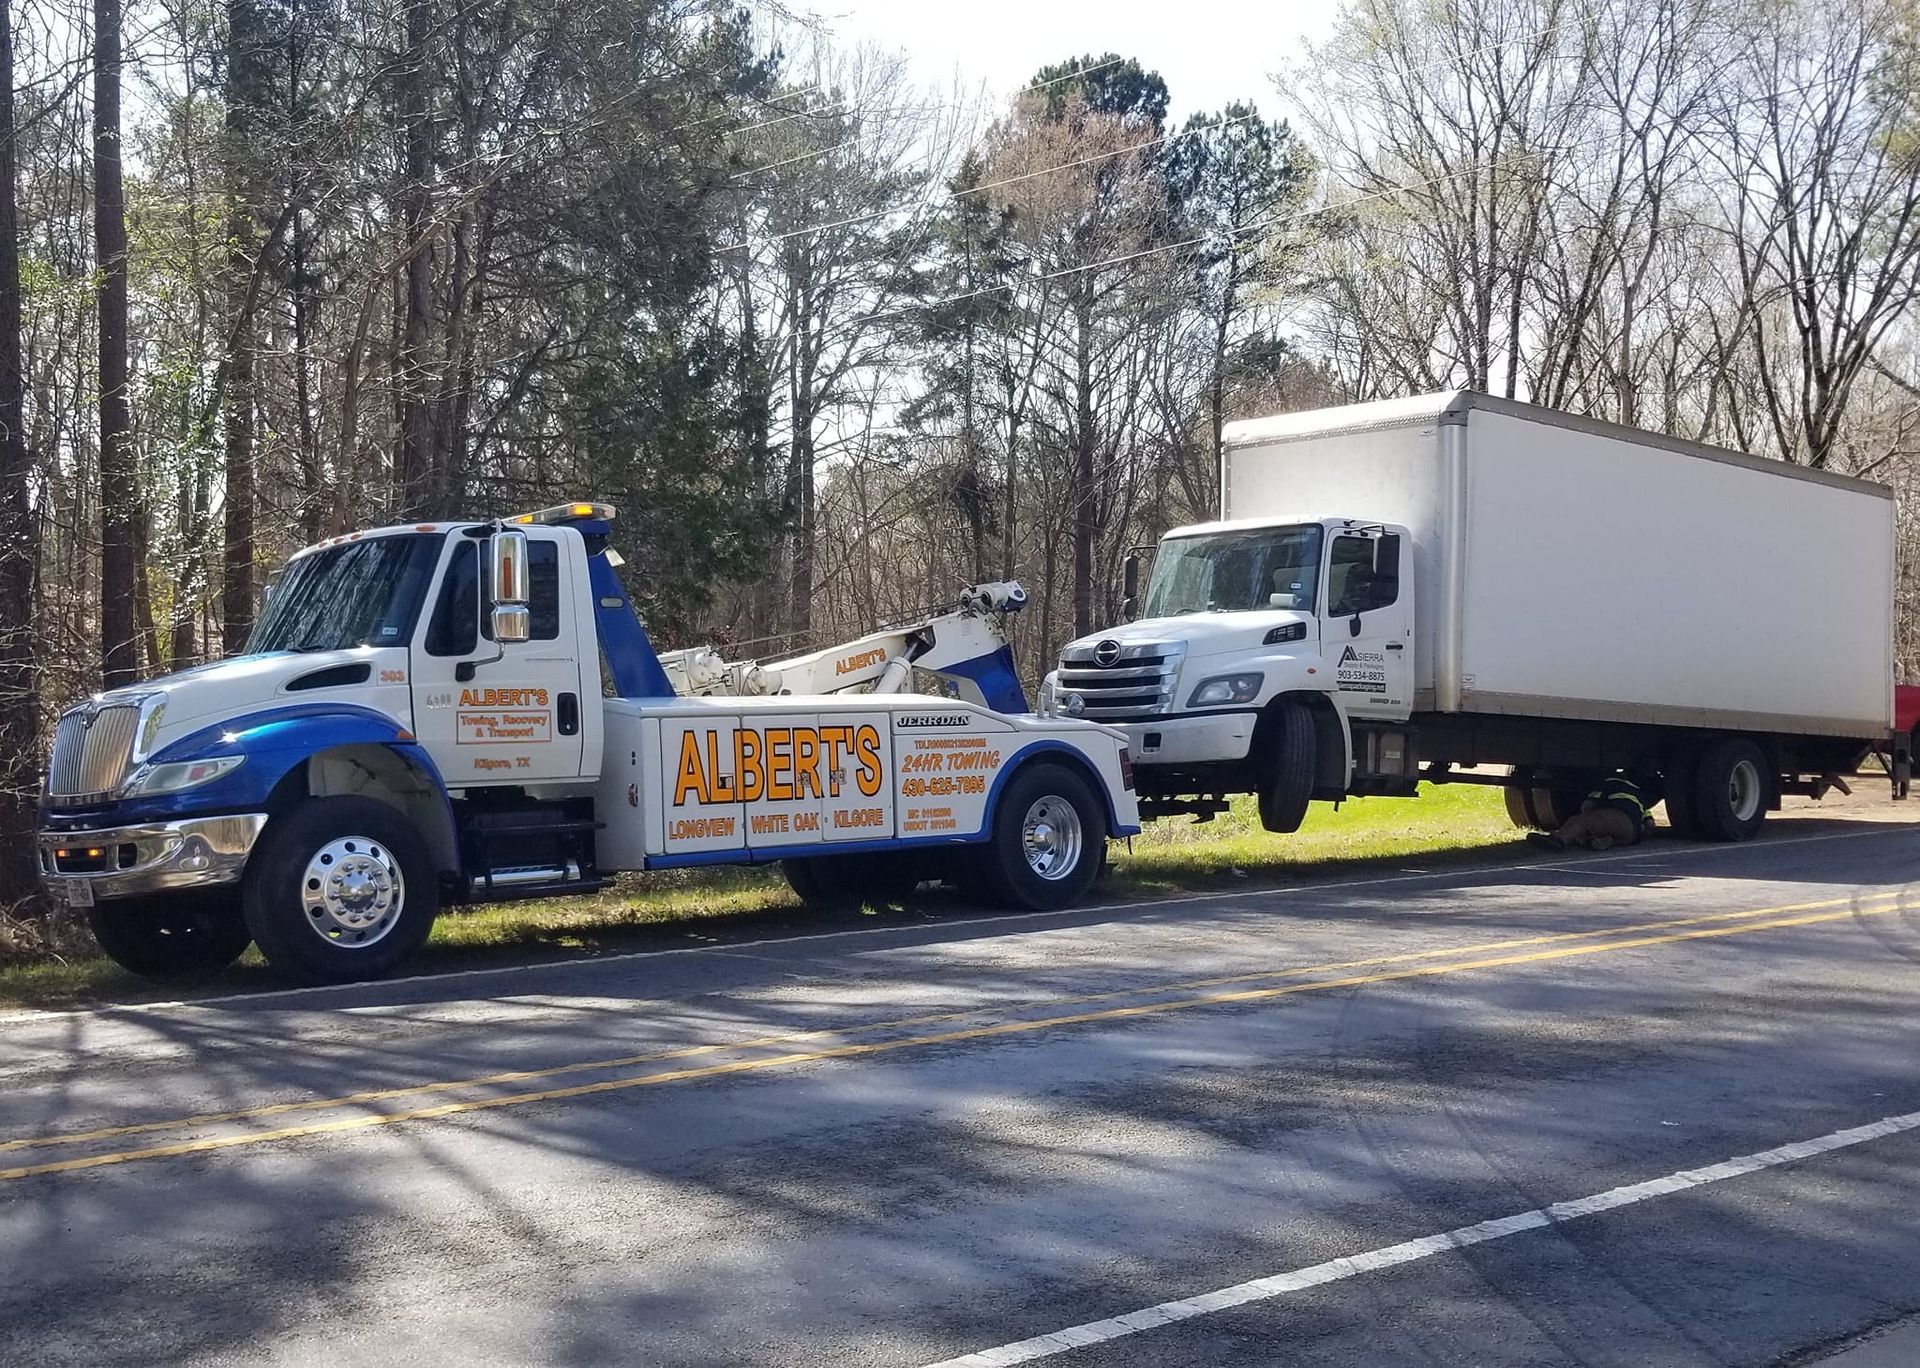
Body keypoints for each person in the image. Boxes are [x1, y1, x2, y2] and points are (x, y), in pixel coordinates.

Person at [1527, 773, 1655, 851]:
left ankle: (1559, 839)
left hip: (1617, 817)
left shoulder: (1610, 782)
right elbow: (1649, 824)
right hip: (1631, 834)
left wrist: (1589, 817)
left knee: (1580, 822)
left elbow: (1587, 806)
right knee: (1604, 832)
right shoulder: (1640, 794)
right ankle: (1605, 841)